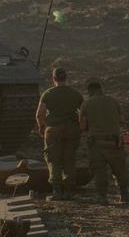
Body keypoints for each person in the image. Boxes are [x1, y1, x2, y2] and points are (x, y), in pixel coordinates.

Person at [36, 67, 84, 200]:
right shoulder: (75, 93)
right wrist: (81, 127)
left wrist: (42, 128)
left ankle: (56, 191)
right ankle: (69, 191)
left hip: (53, 130)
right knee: (69, 158)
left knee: (53, 159)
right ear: (66, 78)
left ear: (54, 79)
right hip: (72, 130)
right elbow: (83, 113)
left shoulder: (48, 93)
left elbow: (40, 114)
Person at [79, 80, 129, 205]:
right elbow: (122, 120)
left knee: (99, 171)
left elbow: (83, 126)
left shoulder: (86, 104)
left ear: (90, 91)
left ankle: (102, 197)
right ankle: (124, 194)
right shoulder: (113, 101)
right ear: (101, 89)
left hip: (96, 143)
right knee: (119, 170)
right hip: (114, 142)